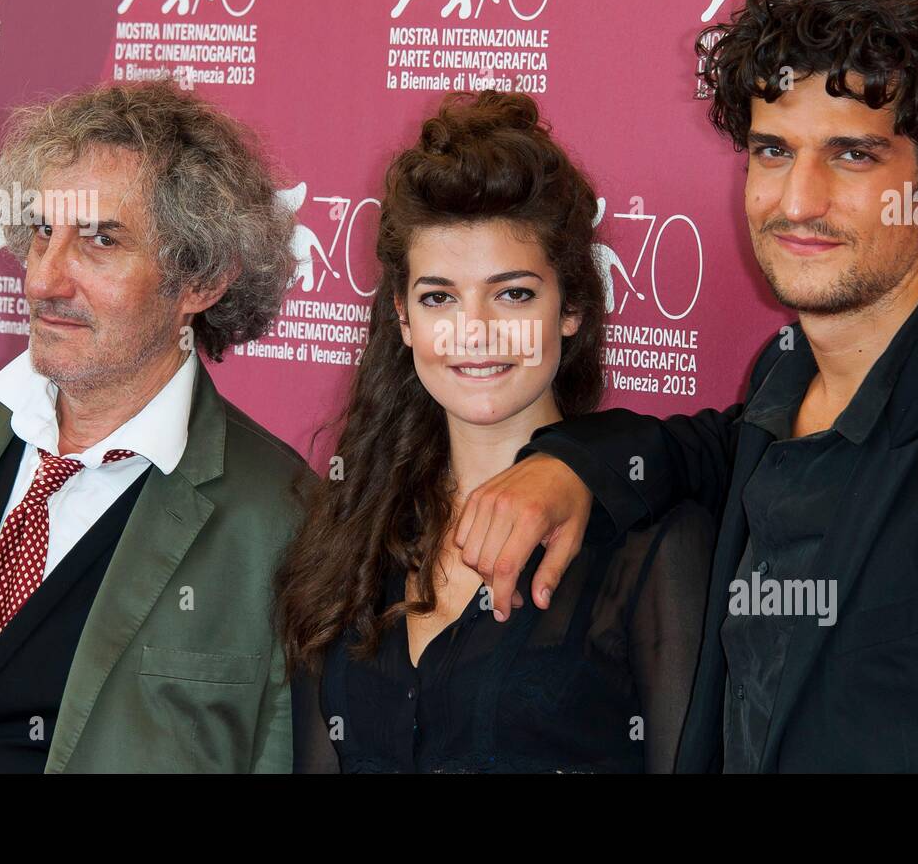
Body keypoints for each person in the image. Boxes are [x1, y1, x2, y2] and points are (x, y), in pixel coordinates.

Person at [451, 0, 918, 772]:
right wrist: (567, 466)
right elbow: (705, 450)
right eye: (773, 151)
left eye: (851, 155)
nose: (798, 200)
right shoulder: (785, 382)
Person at [0, 81, 307, 773]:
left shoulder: (281, 517)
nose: (43, 281)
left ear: (201, 280)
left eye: (100, 240)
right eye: (41, 233)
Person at [278, 90, 712, 773]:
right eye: (439, 297)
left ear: (571, 306)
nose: (473, 331)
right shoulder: (347, 533)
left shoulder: (655, 544)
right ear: (403, 319)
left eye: (512, 293)